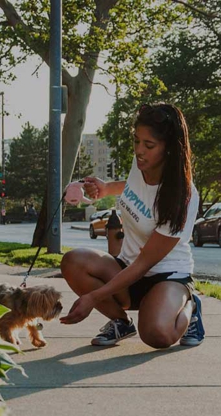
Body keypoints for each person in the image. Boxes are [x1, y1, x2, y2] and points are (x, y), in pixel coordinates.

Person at [59, 103, 205, 349]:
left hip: (167, 276)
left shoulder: (183, 197)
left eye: (149, 145)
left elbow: (144, 263)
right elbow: (133, 186)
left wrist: (92, 298)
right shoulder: (141, 166)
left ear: (170, 149)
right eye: (137, 141)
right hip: (127, 267)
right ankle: (121, 322)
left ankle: (190, 305)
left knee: (157, 335)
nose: (139, 151)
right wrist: (106, 188)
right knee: (73, 260)